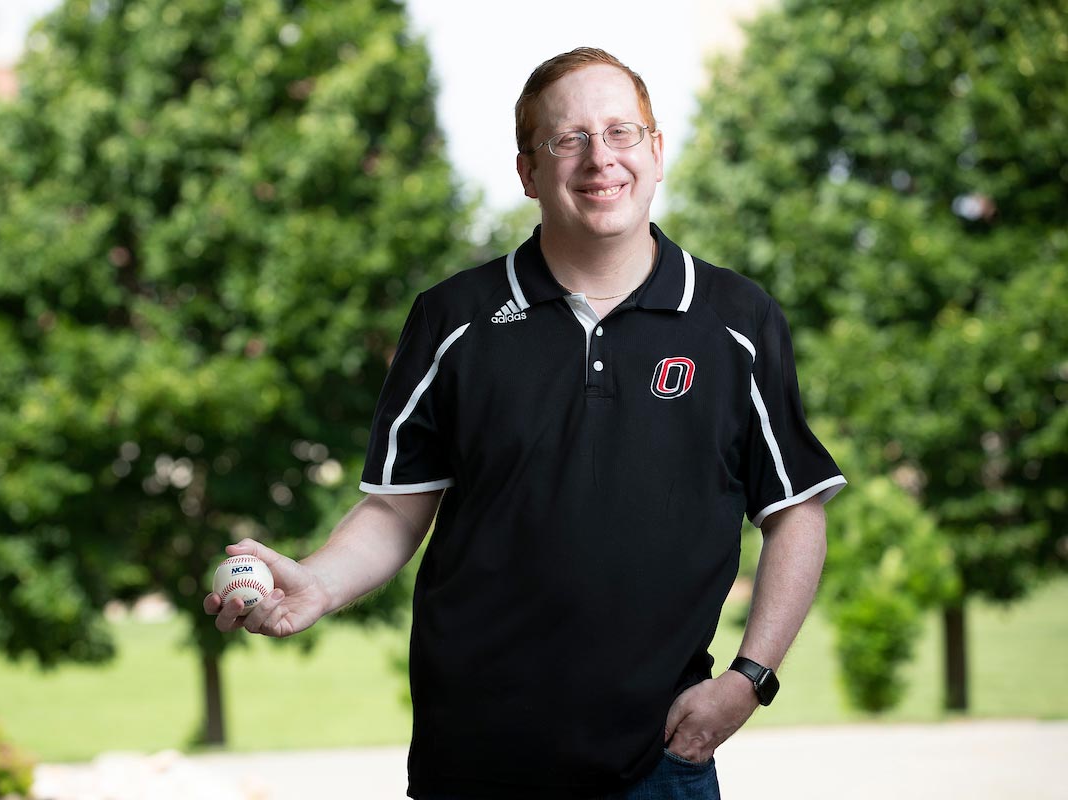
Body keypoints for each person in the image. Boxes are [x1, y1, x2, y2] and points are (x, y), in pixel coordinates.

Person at [206, 47, 846, 799]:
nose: (598, 158)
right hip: (475, 762)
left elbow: (795, 511)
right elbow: (396, 508)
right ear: (527, 172)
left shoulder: (737, 321)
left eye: (621, 133)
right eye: (567, 139)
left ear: (657, 151)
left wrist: (749, 679)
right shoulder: (453, 319)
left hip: (659, 761)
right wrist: (316, 583)